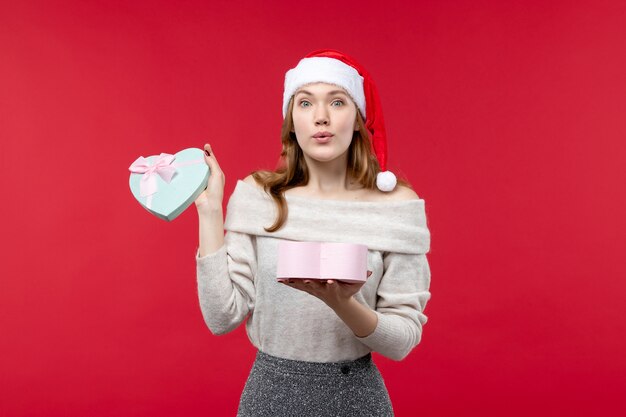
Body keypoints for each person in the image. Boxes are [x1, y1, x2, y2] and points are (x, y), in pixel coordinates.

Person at [194, 49, 431, 417]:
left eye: (337, 102)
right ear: (291, 121)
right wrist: (210, 212)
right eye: (305, 103)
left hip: (357, 400)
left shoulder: (395, 207)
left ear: (357, 119)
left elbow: (402, 341)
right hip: (269, 398)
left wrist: (343, 304)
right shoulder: (257, 197)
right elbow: (221, 317)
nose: (321, 117)